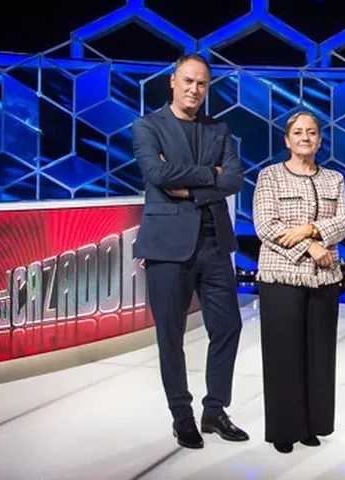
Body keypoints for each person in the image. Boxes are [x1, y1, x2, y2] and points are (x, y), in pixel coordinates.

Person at [132, 54, 248, 449]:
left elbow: (233, 179)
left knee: (229, 327)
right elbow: (158, 175)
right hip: (167, 247)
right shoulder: (148, 126)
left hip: (215, 245)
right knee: (171, 336)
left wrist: (192, 186)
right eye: (188, 81)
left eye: (201, 84)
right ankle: (181, 416)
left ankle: (214, 410)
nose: (194, 90)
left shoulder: (220, 129)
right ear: (172, 81)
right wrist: (209, 177)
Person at [252, 111, 345, 453]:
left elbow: (343, 220)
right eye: (298, 132)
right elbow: (266, 225)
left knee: (319, 355)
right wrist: (311, 247)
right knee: (283, 354)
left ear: (320, 139)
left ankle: (312, 424)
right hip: (281, 276)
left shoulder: (334, 179)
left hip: (325, 279)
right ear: (287, 139)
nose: (305, 137)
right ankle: (284, 428)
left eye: (311, 132)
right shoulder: (270, 177)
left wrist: (313, 230)